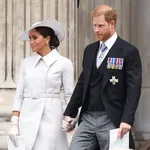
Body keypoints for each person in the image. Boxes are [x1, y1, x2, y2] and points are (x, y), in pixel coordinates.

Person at [63, 4, 142, 150]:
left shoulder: (129, 51)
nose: (96, 30)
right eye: (94, 25)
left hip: (112, 118)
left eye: (100, 26)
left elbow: (134, 89)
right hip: (88, 117)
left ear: (112, 24)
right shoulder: (90, 50)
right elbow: (82, 83)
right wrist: (70, 112)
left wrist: (127, 119)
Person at [8, 19, 74, 150]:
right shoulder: (26, 63)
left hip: (51, 116)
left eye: (34, 37)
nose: (31, 42)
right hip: (27, 116)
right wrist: (14, 122)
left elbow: (69, 95)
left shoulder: (64, 63)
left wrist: (70, 118)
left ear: (47, 39)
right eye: (29, 38)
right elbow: (19, 94)